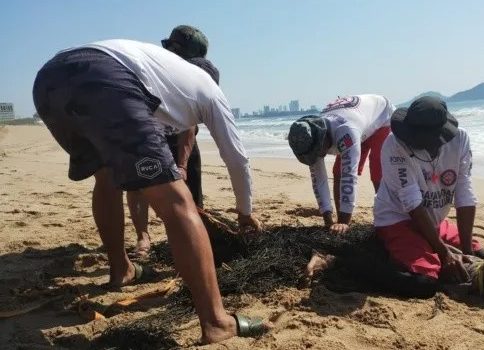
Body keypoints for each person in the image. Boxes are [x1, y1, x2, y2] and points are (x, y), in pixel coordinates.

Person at [32, 39, 266, 343]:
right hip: (103, 79)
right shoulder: (209, 90)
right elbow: (237, 158)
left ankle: (121, 269)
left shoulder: (163, 75)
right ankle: (217, 322)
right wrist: (245, 212)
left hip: (50, 80)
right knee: (178, 202)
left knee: (105, 177)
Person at [373, 96, 484, 285]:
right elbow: (412, 203)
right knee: (427, 279)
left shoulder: (460, 139)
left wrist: (467, 251)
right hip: (397, 219)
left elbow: (464, 191)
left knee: (479, 253)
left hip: (433, 221)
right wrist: (444, 253)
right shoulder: (394, 145)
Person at [127, 25, 221, 257]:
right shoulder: (149, 71)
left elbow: (189, 125)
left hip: (179, 135)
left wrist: (182, 165)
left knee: (191, 187)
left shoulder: (197, 76)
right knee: (139, 183)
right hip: (144, 132)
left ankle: (193, 233)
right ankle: (143, 236)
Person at [288, 94, 394, 234]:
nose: (318, 156)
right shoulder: (309, 136)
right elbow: (318, 179)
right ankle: (340, 220)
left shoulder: (345, 131)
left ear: (323, 139)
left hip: (381, 118)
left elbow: (349, 177)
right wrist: (328, 219)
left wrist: (344, 222)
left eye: (318, 151)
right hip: (359, 122)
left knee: (377, 174)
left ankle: (386, 219)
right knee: (337, 173)